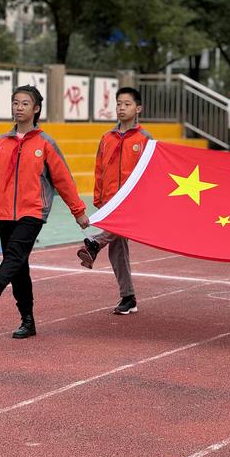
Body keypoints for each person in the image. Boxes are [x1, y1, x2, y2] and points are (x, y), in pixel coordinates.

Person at [0, 85, 89, 338]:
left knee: (13, 257)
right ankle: (28, 320)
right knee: (19, 267)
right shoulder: (1, 143)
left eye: (25, 103)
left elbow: (63, 180)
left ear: (36, 109)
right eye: (15, 102)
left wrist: (78, 211)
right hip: (5, 213)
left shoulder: (45, 143)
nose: (19, 107)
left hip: (33, 211)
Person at [76, 87, 152, 315]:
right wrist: (99, 197)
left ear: (138, 108)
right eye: (118, 104)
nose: (121, 108)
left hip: (132, 200)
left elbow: (150, 171)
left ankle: (95, 242)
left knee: (113, 235)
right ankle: (128, 297)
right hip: (110, 199)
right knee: (117, 250)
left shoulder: (145, 139)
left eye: (127, 104)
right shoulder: (107, 138)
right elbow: (100, 168)